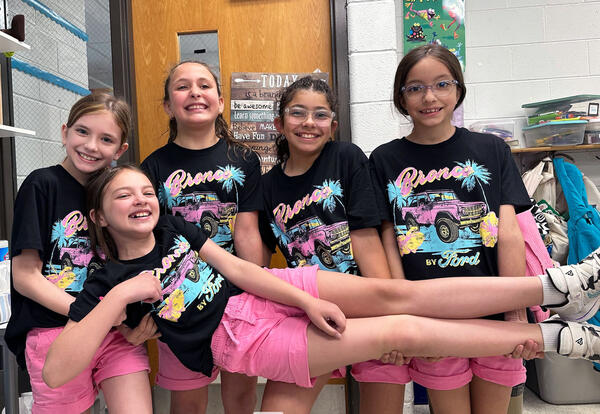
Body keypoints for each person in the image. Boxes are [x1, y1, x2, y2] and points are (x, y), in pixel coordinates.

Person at [43, 165, 600, 408]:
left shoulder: (172, 227)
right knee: (396, 331)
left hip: (269, 291)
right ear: (96, 217)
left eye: (147, 191)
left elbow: (240, 270)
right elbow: (56, 371)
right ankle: (562, 341)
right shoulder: (101, 282)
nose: (142, 200)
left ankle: (556, 285)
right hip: (242, 342)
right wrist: (119, 296)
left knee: (396, 296)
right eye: (125, 196)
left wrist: (306, 296)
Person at [368, 44, 536, 413]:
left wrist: (515, 311)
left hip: (494, 308)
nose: (429, 97)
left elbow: (509, 232)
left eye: (441, 84)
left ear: (458, 89)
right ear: (402, 97)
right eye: (415, 87)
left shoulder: (491, 149)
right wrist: (401, 314)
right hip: (430, 316)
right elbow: (387, 239)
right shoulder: (383, 159)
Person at [261, 76, 408, 414]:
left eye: (320, 115)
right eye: (298, 113)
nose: (309, 123)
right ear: (279, 124)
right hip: (312, 315)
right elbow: (261, 263)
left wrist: (393, 318)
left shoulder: (346, 157)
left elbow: (366, 240)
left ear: (333, 125)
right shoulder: (267, 186)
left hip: (367, 308)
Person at [4, 93, 153, 413]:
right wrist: (91, 314)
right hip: (55, 334)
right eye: (82, 131)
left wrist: (142, 321)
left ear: (120, 150)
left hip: (115, 337)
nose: (91, 145)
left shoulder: (120, 192)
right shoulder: (41, 185)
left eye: (106, 139)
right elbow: (25, 276)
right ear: (64, 132)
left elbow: (139, 258)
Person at [140, 61, 263, 414]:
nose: (195, 92)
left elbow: (248, 231)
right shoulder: (153, 168)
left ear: (220, 101)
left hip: (236, 297)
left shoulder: (243, 160)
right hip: (182, 301)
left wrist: (256, 290)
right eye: (182, 86)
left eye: (204, 85)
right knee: (188, 400)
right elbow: (147, 245)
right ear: (167, 106)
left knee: (240, 397)